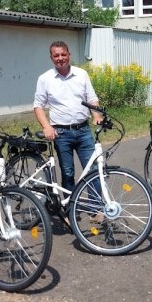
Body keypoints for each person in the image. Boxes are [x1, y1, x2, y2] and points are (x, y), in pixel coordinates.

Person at [33, 40, 103, 198]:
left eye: (63, 54)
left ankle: (95, 208)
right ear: (51, 58)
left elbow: (91, 98)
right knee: (67, 172)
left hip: (83, 130)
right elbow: (38, 106)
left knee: (92, 169)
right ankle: (71, 208)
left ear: (69, 55)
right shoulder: (45, 79)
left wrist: (97, 115)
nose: (60, 58)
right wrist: (47, 127)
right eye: (56, 55)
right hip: (61, 133)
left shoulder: (81, 74)